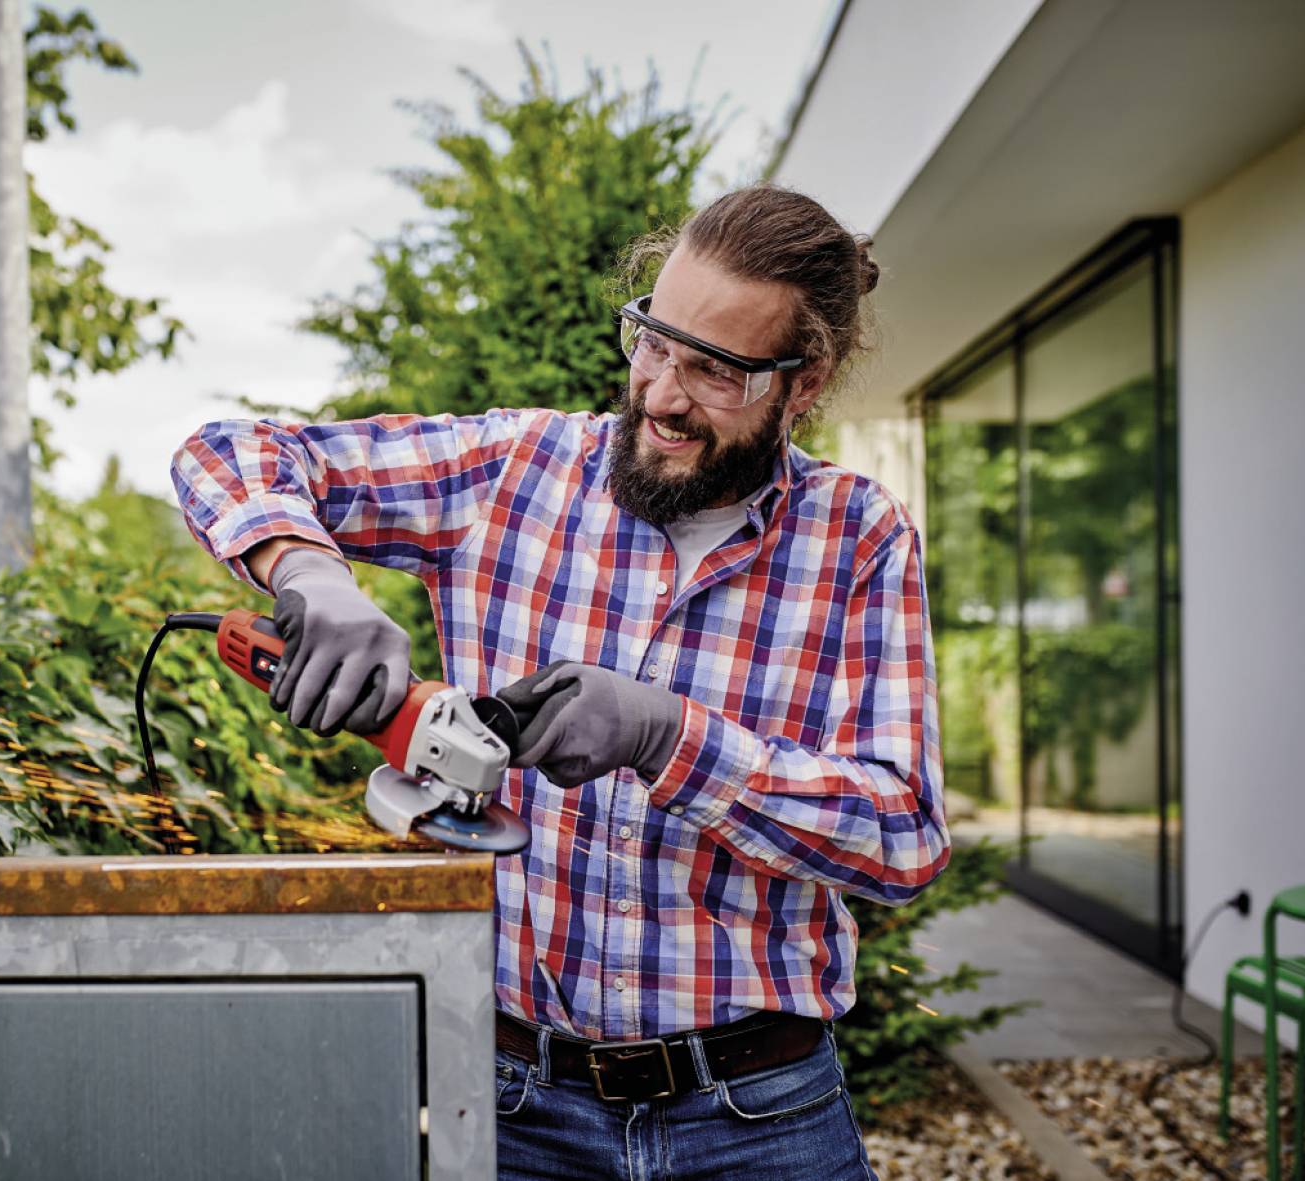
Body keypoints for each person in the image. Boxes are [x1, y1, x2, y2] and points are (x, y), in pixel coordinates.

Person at [173, 183, 948, 1180]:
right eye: (654, 342)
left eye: (713, 371)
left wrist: (672, 738)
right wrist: (305, 567)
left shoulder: (857, 537)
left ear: (801, 385)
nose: (662, 394)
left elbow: (903, 838)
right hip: (515, 1107)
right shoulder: (510, 470)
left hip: (761, 1114)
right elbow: (223, 452)